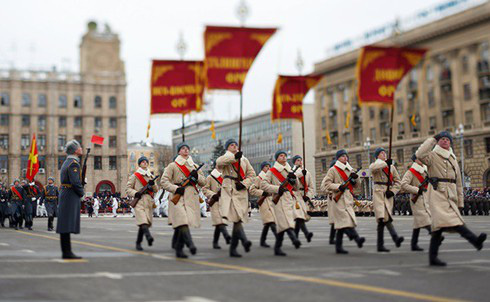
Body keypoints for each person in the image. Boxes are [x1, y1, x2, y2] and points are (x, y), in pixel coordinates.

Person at [416, 132, 487, 266]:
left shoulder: (453, 158)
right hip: (437, 193)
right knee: (454, 222)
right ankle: (475, 241)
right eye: (442, 139)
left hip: (450, 193)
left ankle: (433, 258)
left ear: (450, 142)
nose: (445, 141)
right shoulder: (432, 155)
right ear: (438, 142)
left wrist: (460, 201)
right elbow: (420, 154)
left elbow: (458, 182)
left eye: (447, 139)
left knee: (439, 227)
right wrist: (432, 140)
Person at [161, 142, 205, 258]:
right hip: (178, 197)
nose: (186, 150)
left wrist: (197, 177)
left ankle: (178, 246)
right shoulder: (172, 166)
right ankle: (190, 245)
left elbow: (203, 182)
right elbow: (164, 181)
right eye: (183, 148)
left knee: (182, 223)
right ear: (179, 151)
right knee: (182, 221)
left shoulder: (195, 166)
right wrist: (175, 188)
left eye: (187, 148)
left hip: (191, 197)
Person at [216, 139, 256, 257]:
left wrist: (244, 184)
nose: (234, 146)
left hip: (240, 189)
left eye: (236, 145)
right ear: (227, 148)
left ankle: (234, 248)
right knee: (237, 218)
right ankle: (244, 241)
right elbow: (219, 162)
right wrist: (234, 157)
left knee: (238, 218)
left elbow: (252, 174)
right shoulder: (226, 157)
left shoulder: (244, 159)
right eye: (231, 145)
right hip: (229, 189)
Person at [322, 150, 365, 254]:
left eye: (346, 156)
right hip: (338, 198)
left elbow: (357, 186)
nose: (345, 158)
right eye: (342, 156)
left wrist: (356, 178)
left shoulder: (350, 170)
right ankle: (356, 238)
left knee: (343, 224)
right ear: (338, 158)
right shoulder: (333, 170)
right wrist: (338, 186)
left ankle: (338, 247)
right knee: (345, 221)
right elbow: (326, 184)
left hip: (348, 198)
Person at [260, 150, 302, 256]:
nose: (283, 157)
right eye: (281, 156)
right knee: (285, 221)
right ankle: (294, 239)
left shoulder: (290, 171)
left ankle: (277, 247)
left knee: (283, 224)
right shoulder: (272, 171)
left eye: (285, 156)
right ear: (277, 158)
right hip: (278, 199)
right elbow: (263, 185)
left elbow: (296, 187)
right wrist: (277, 189)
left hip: (288, 199)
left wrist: (294, 180)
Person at [369, 147, 404, 252]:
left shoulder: (392, 167)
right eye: (381, 153)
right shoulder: (376, 165)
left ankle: (390, 241)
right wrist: (385, 164)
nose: (384, 154)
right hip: (379, 193)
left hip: (388, 194)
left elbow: (398, 182)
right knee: (382, 218)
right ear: (377, 156)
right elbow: (373, 169)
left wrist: (393, 191)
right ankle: (393, 239)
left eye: (385, 153)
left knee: (385, 218)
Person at [56, 140, 84, 259]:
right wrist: (81, 192)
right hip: (70, 194)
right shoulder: (73, 163)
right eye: (79, 147)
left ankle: (66, 251)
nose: (81, 148)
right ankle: (67, 252)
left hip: (66, 193)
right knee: (66, 224)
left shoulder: (67, 161)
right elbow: (75, 182)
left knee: (64, 223)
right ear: (75, 150)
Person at [401, 155, 432, 251]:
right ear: (415, 160)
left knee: (418, 223)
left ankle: (414, 244)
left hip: (427, 198)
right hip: (417, 199)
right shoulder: (411, 171)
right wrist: (417, 190)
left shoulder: (426, 170)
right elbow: (403, 184)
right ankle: (435, 234)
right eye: (420, 158)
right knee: (425, 218)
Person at [126, 156, 158, 251]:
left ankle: (138, 243)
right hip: (139, 201)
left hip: (148, 202)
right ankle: (148, 237)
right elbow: (128, 189)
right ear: (139, 164)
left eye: (146, 161)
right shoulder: (135, 176)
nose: (144, 163)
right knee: (143, 221)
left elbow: (156, 190)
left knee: (144, 223)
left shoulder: (151, 176)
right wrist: (136, 193)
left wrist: (153, 184)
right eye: (142, 162)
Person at [202, 166, 231, 249]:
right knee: (219, 221)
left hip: (224, 203)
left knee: (219, 223)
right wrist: (213, 195)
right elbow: (204, 189)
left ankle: (215, 242)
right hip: (215, 202)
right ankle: (227, 236)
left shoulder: (226, 177)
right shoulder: (210, 177)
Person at [249, 161, 277, 248]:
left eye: (269, 166)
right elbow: (252, 190)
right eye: (266, 167)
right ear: (262, 168)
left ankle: (262, 241)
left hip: (271, 201)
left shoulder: (271, 178)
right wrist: (262, 193)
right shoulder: (259, 178)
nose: (268, 168)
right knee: (271, 221)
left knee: (268, 222)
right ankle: (279, 238)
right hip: (264, 201)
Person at [291, 155, 314, 243]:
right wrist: (300, 174)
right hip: (295, 195)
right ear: (294, 162)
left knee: (299, 217)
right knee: (299, 216)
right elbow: (292, 184)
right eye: (297, 160)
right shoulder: (292, 171)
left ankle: (295, 238)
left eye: (301, 160)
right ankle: (306, 233)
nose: (300, 162)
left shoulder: (307, 173)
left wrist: (308, 196)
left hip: (303, 195)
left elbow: (311, 187)